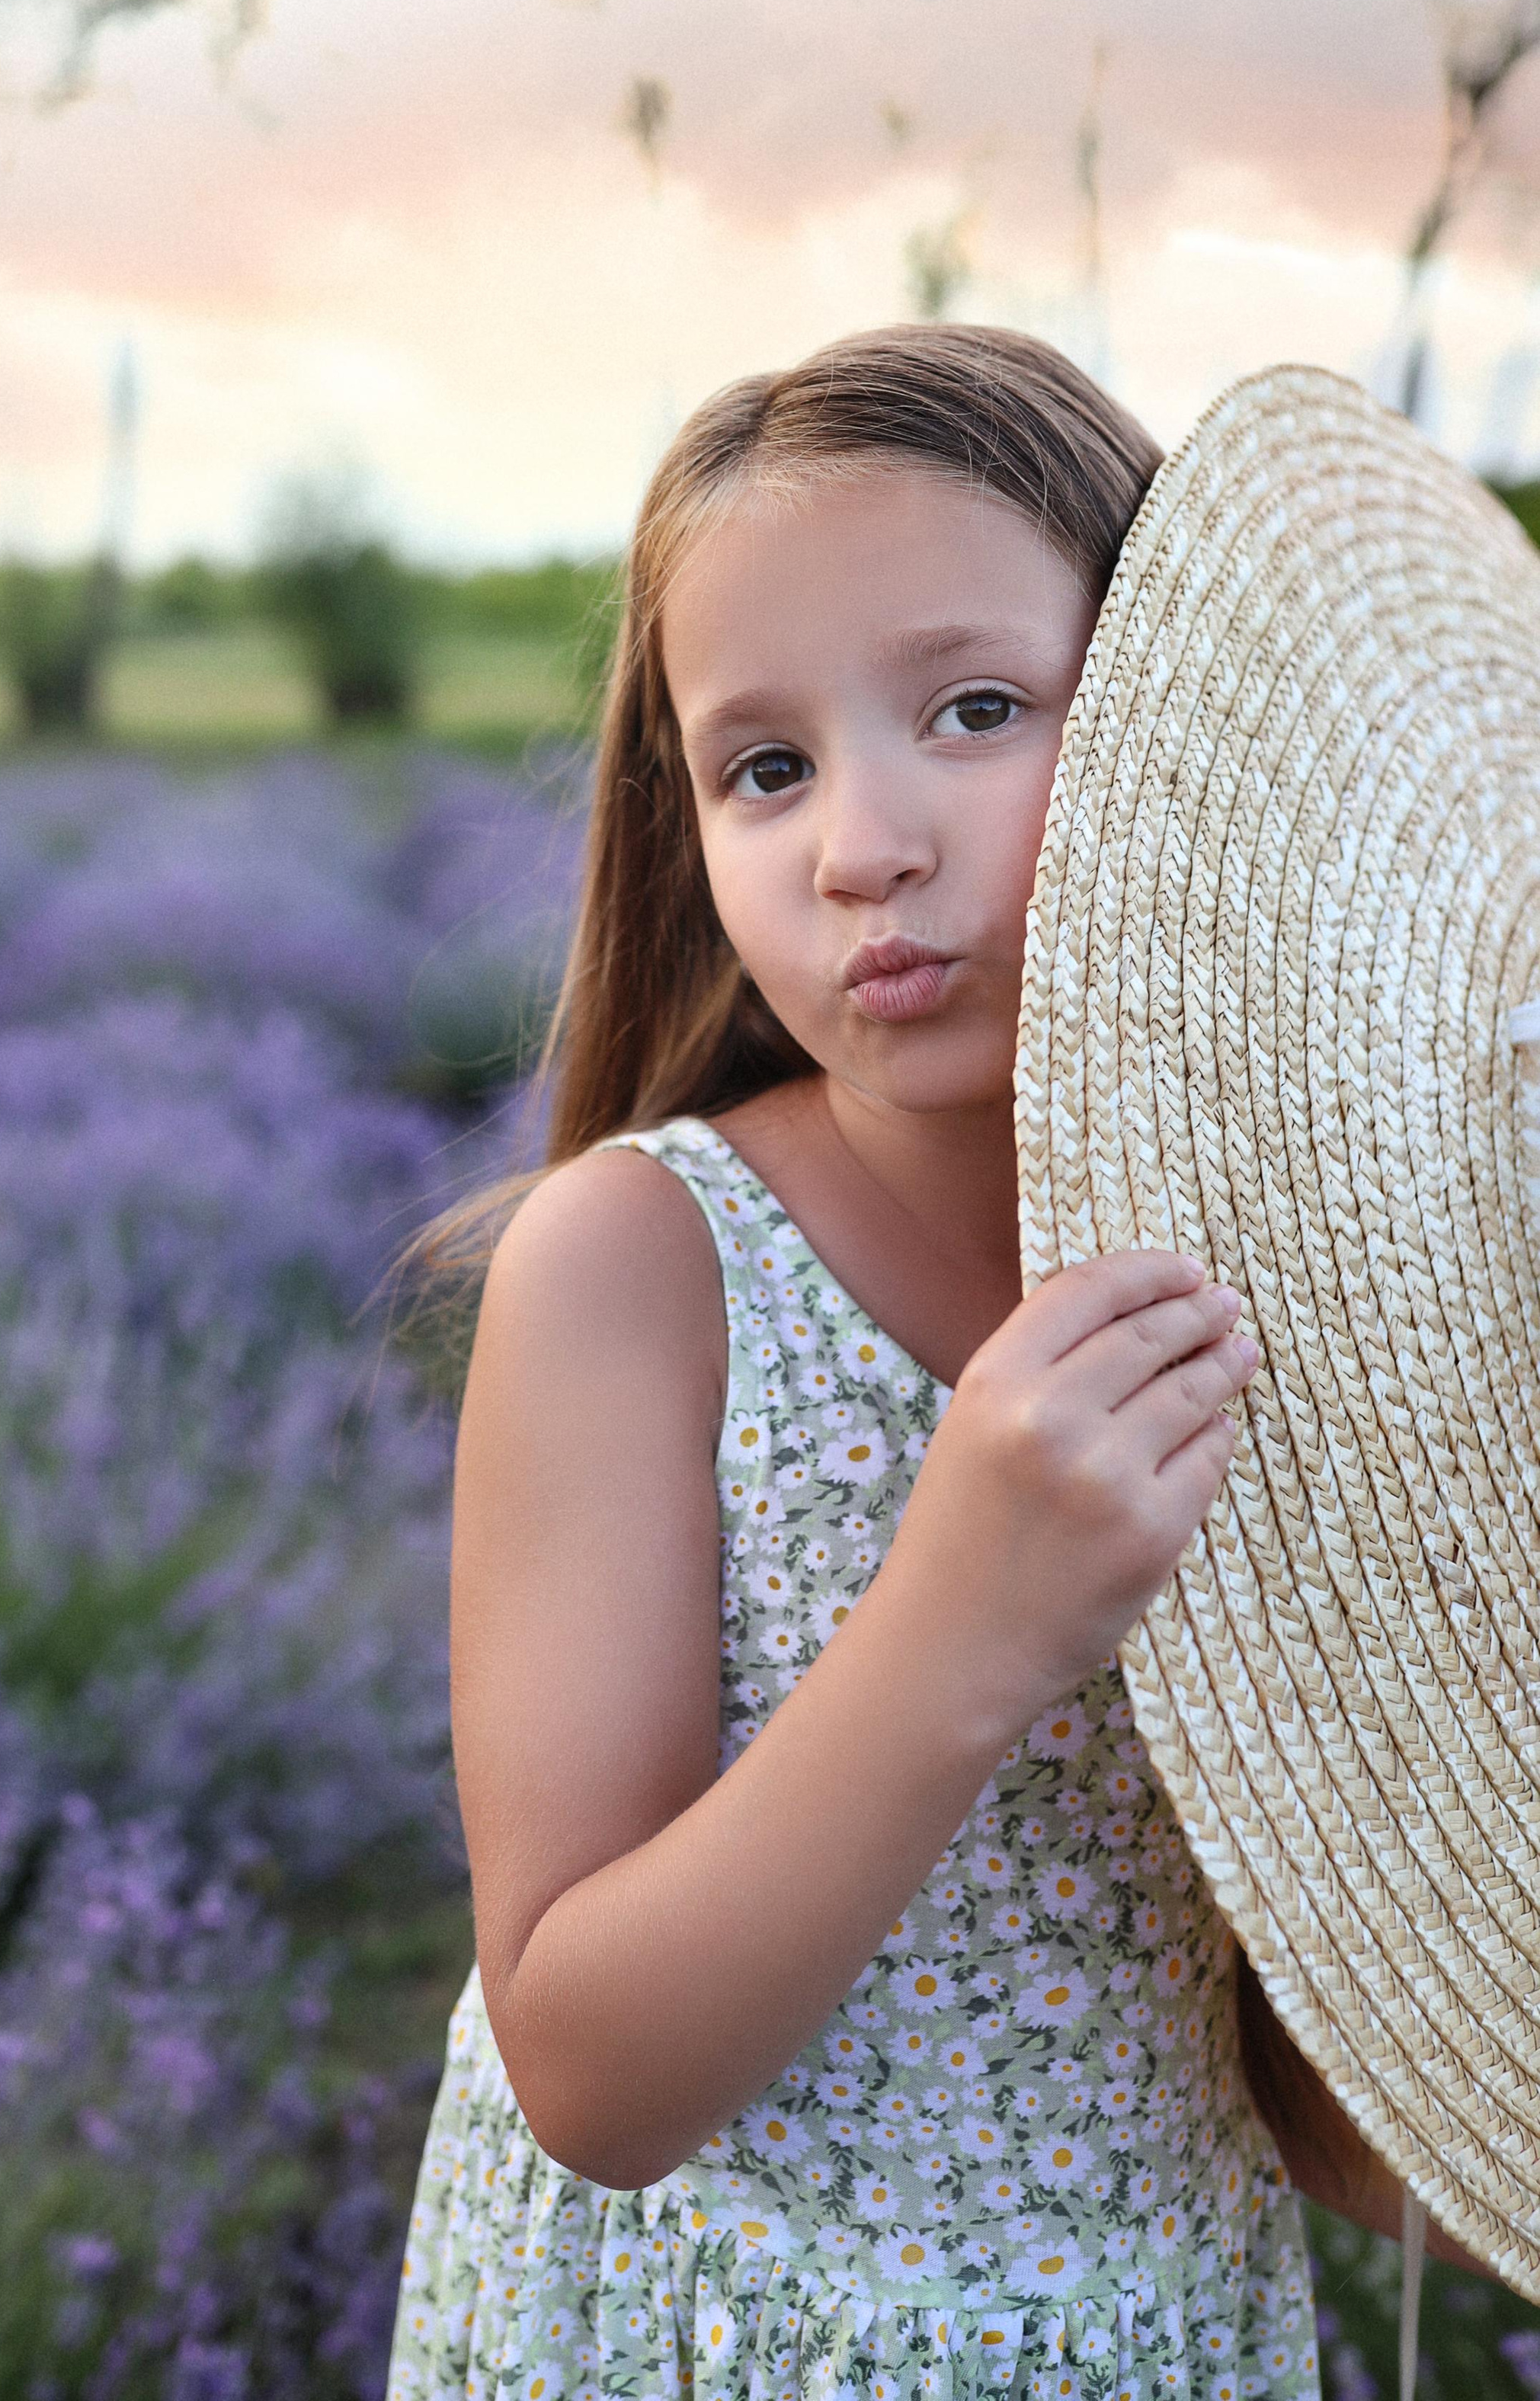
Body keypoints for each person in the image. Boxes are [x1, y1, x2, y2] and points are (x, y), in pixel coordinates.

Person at [388, 326, 1436, 2401]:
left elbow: (1353, 2152)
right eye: (761, 766)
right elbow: (590, 2070)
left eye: (974, 711)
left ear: (1182, 722)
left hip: (1158, 2342)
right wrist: (968, 1611)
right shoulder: (644, 1270)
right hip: (691, 2349)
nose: (859, 843)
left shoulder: (1317, 1304)